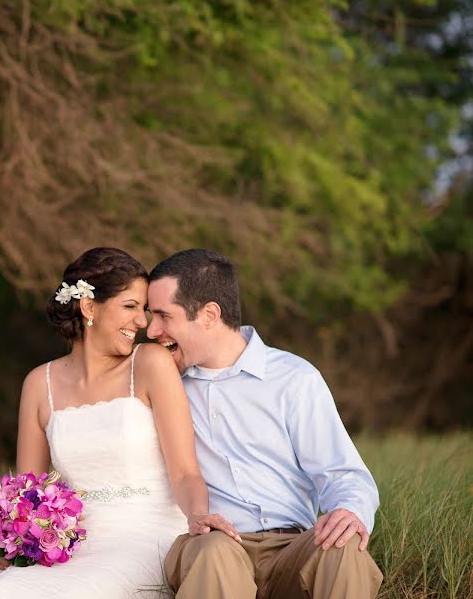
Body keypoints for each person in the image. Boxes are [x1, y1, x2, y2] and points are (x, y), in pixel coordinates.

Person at [0, 247, 239, 599]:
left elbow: (185, 473)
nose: (143, 323)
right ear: (89, 307)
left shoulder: (151, 364)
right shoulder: (39, 384)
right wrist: (20, 546)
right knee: (5, 591)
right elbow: (30, 491)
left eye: (145, 311)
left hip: (147, 537)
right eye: (130, 307)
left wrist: (198, 516)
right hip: (72, 547)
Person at [146, 248, 383, 599]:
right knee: (214, 555)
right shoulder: (164, 384)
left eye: (164, 316)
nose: (152, 330)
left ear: (210, 314)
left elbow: (343, 473)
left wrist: (350, 509)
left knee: (343, 548)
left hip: (293, 546)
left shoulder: (294, 378)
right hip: (214, 544)